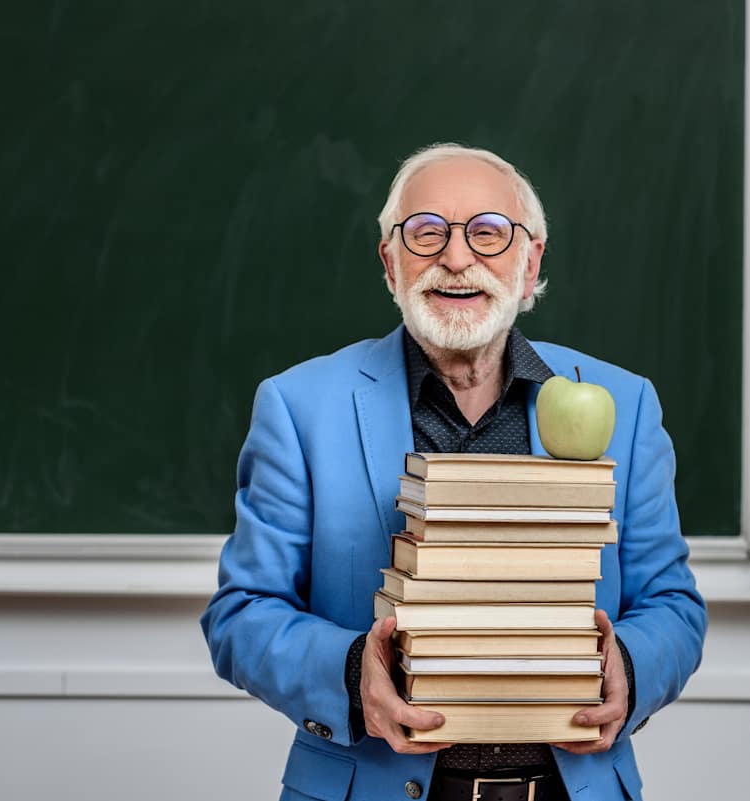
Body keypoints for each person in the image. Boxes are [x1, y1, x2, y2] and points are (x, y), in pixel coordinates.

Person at [202, 143, 707, 801]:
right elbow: (241, 612)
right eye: (426, 232)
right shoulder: (300, 407)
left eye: (489, 233)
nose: (458, 257)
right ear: (390, 262)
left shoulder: (625, 402)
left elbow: (674, 603)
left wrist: (630, 666)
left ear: (530, 265)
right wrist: (353, 672)